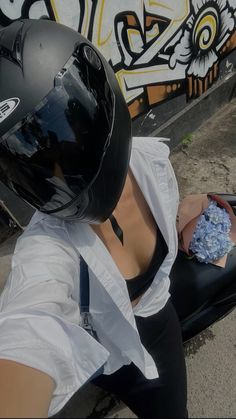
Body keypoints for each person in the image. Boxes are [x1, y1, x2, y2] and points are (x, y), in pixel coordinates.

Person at [0, 19, 187, 418]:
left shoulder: (153, 162)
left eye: (65, 134)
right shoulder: (47, 246)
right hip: (106, 358)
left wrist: (192, 209)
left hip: (160, 327)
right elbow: (29, 323)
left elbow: (168, 214)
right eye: (31, 161)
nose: (59, 174)